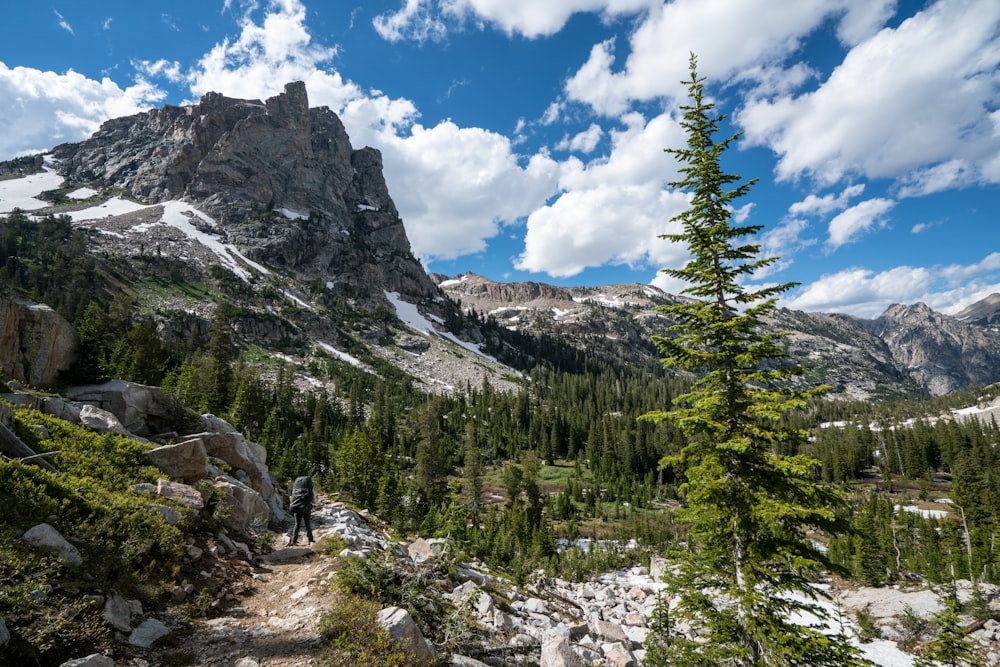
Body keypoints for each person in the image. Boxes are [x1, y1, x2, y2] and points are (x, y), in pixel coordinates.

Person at [288, 475, 316, 545]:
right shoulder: (310, 489)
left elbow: (292, 497)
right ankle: (310, 540)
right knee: (307, 524)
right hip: (306, 508)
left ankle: (293, 540)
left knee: (297, 524)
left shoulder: (296, 489)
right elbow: (314, 500)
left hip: (296, 507)